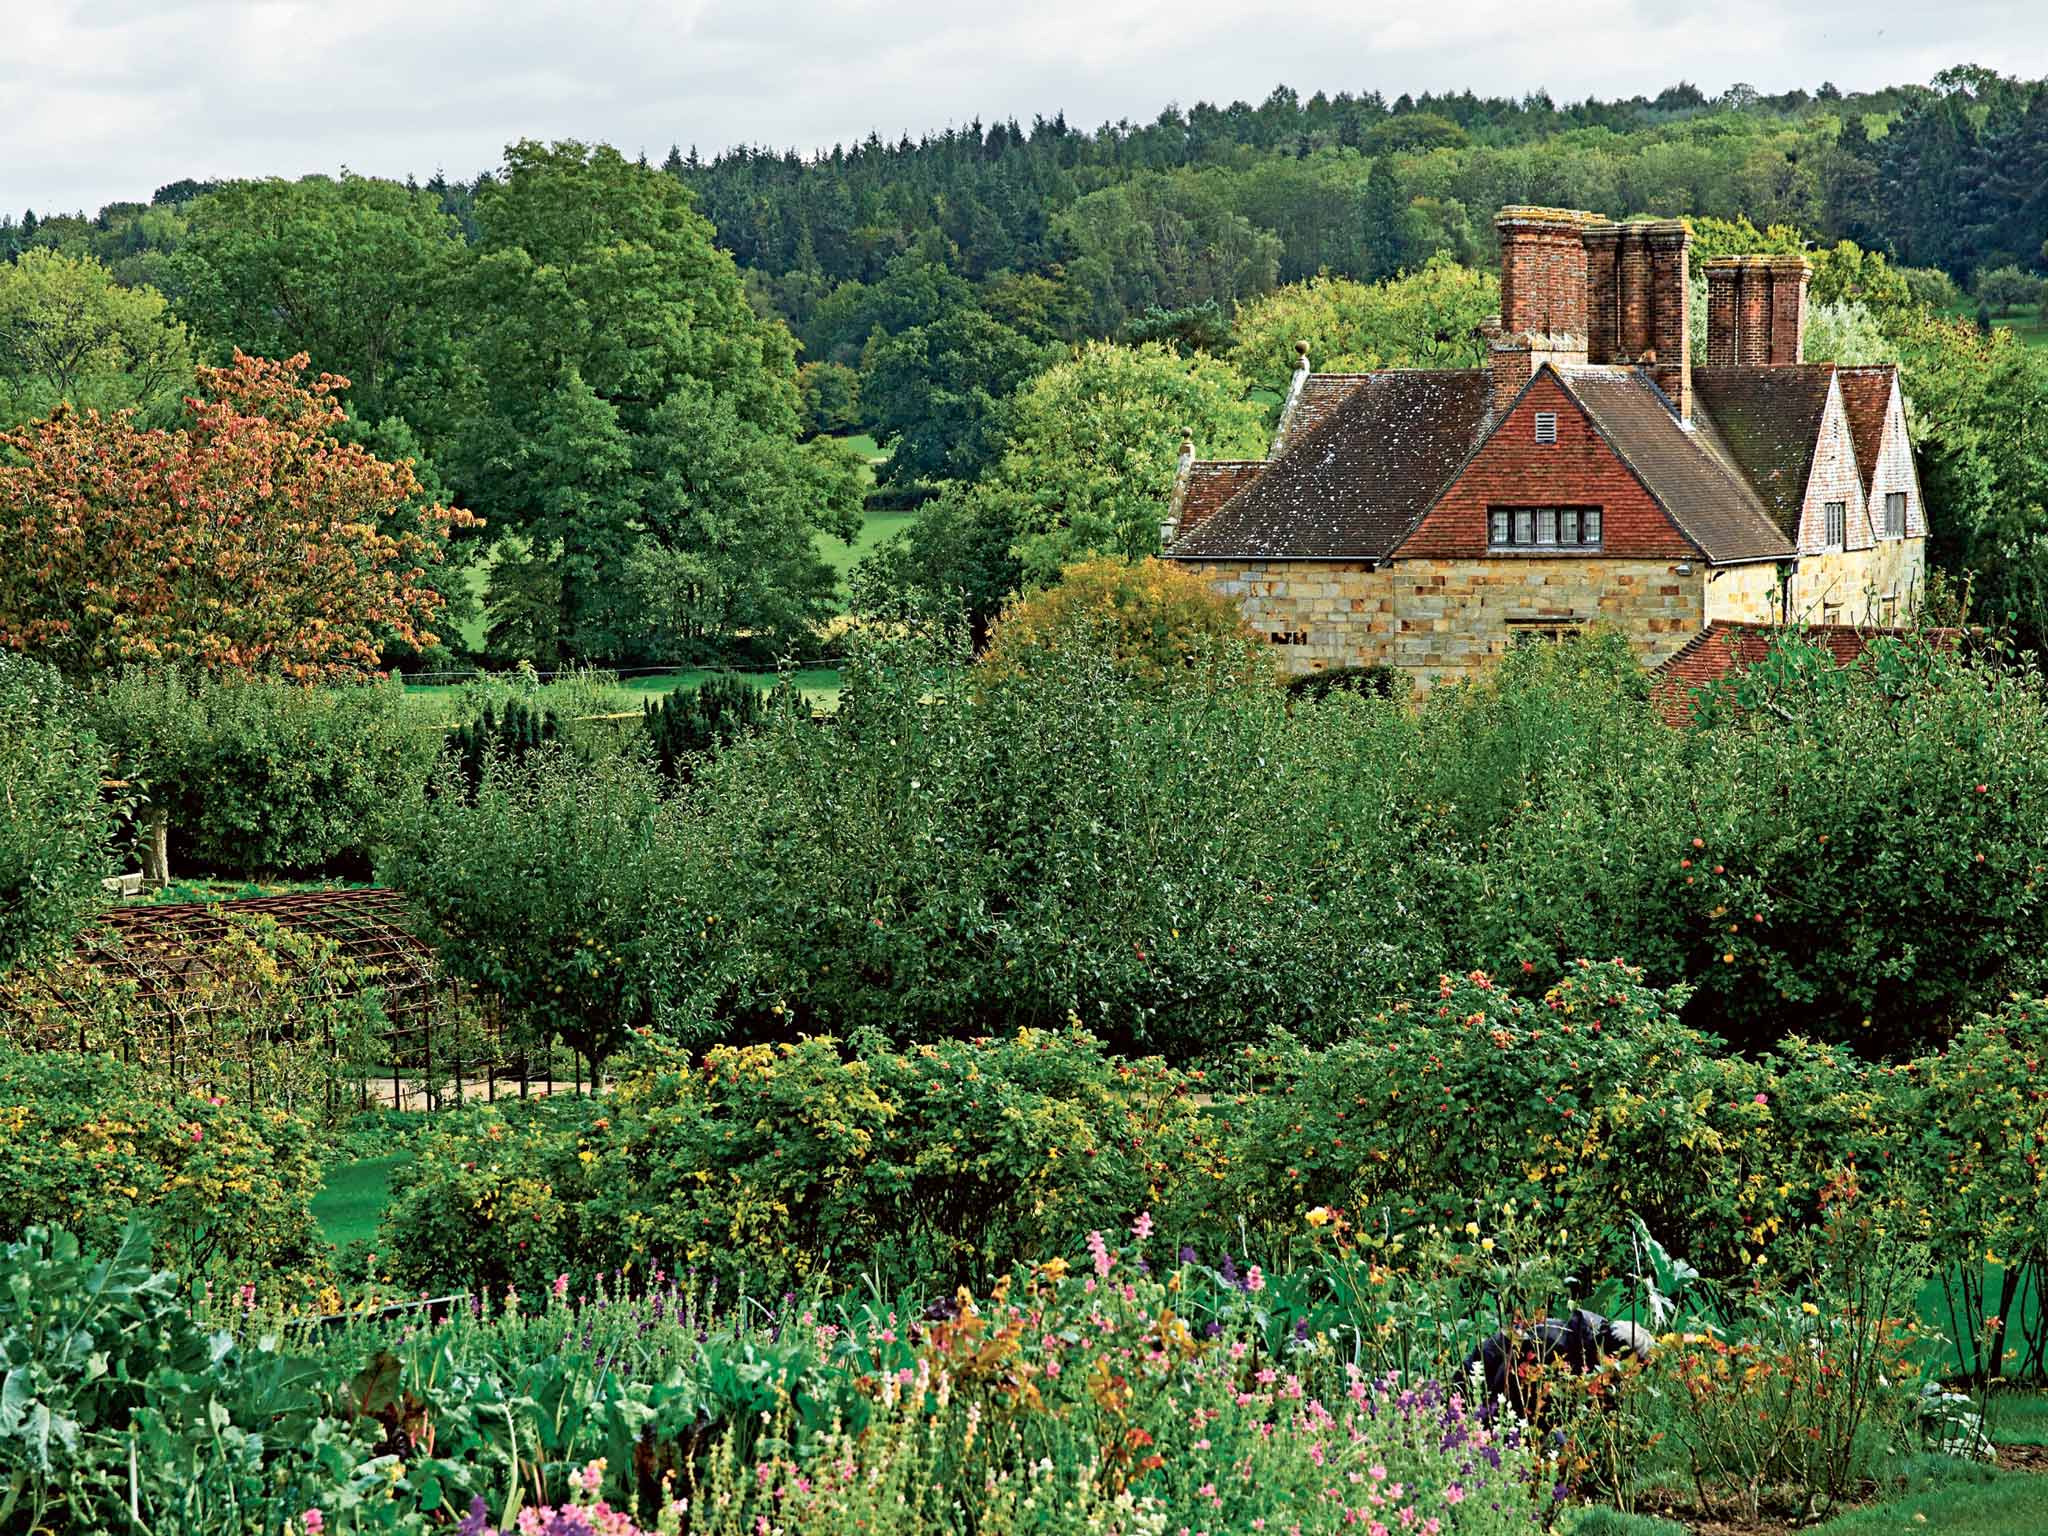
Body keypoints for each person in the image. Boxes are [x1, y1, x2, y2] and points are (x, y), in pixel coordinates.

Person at [1462, 1309, 1654, 1417]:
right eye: (1627, 1369)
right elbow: (1503, 1387)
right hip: (1474, 1386)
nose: (1624, 1377)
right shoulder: (1552, 1343)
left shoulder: (1593, 1358)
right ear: (1615, 1354)